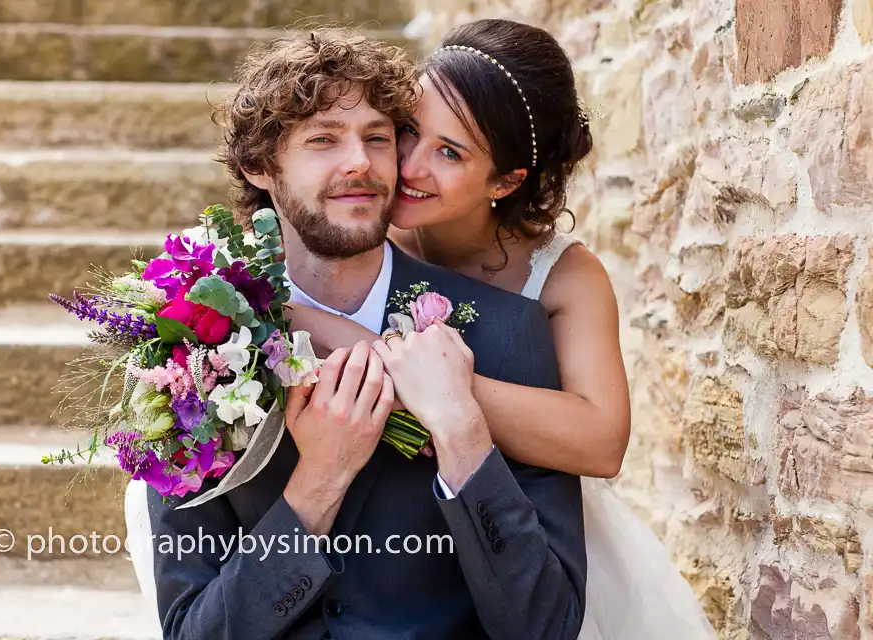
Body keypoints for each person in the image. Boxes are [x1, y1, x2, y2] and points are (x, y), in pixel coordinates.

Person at [127, 26, 587, 639]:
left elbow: (547, 627)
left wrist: (463, 433)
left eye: (377, 137)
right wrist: (319, 481)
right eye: (323, 139)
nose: (360, 163)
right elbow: (192, 632)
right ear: (259, 166)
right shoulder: (191, 343)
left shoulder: (508, 333)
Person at [284, 18, 718, 640]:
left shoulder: (565, 275)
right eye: (409, 133)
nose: (407, 166)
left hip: (522, 523)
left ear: (507, 181)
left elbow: (601, 442)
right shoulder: (370, 230)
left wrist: (446, 389)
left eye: (450, 153)